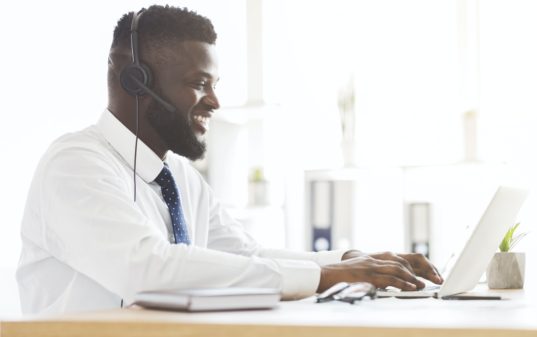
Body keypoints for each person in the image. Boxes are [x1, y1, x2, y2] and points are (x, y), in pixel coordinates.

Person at [16, 5, 442, 314]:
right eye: (200, 84)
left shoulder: (180, 176)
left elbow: (247, 257)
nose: (215, 101)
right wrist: (325, 277)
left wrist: (350, 262)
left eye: (215, 84)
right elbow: (148, 270)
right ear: (136, 81)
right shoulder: (75, 165)